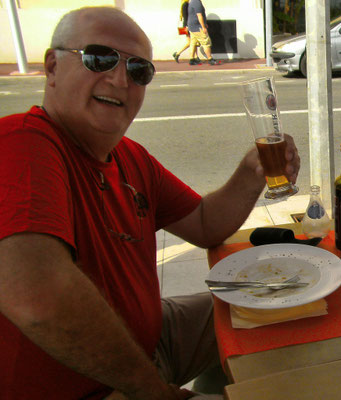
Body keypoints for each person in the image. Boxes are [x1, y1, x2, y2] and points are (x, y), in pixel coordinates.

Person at [0, 6, 300, 399]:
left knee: (283, 295)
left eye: (139, 69)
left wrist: (250, 174)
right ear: (53, 66)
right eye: (99, 58)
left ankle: (224, 377)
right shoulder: (21, 143)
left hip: (151, 339)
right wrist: (153, 391)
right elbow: (37, 298)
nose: (121, 78)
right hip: (90, 385)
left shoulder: (129, 157)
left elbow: (206, 223)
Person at [187, 0, 217, 66]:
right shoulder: (196, 2)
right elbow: (199, 15)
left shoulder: (191, 2)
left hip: (192, 26)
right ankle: (210, 59)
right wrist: (203, 26)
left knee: (193, 43)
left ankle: (192, 59)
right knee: (206, 42)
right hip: (198, 26)